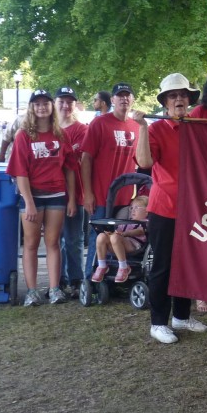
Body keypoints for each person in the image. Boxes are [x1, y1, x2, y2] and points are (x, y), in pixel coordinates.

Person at [132, 73, 207, 345]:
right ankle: (158, 322)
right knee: (163, 266)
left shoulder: (197, 126)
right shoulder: (156, 129)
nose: (179, 99)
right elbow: (143, 162)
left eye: (183, 95)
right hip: (165, 208)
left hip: (193, 208)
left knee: (187, 264)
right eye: (173, 95)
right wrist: (141, 128)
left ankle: (182, 317)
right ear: (165, 101)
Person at [6, 89, 76, 306]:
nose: (42, 107)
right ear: (31, 108)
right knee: (31, 244)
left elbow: (70, 169)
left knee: (53, 242)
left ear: (51, 107)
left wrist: (72, 198)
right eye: (37, 104)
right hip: (32, 197)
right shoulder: (24, 135)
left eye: (46, 103)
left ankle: (54, 288)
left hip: (56, 195)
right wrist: (28, 202)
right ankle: (32, 291)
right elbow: (20, 172)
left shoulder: (60, 135)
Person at [81, 82, 141, 280]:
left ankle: (116, 274)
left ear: (132, 100)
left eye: (128, 95)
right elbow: (86, 158)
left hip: (124, 197)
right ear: (112, 100)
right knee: (97, 237)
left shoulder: (136, 127)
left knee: (118, 237)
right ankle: (90, 279)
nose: (124, 99)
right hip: (100, 195)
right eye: (120, 95)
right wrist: (87, 193)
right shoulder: (100, 123)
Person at [56, 87, 88, 298]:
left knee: (73, 239)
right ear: (55, 103)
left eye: (70, 102)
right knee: (54, 240)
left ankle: (75, 280)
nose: (66, 106)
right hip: (50, 194)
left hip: (75, 194)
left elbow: (84, 162)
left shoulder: (82, 130)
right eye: (62, 101)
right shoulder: (46, 129)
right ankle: (57, 281)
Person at [91, 195, 148, 282]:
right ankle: (102, 265)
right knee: (101, 236)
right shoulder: (126, 222)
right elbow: (117, 232)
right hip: (119, 243)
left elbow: (140, 231)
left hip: (134, 245)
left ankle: (123, 267)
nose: (133, 210)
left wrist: (124, 234)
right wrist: (110, 234)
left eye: (137, 207)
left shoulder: (145, 222)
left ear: (146, 211)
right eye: (132, 208)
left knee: (115, 237)